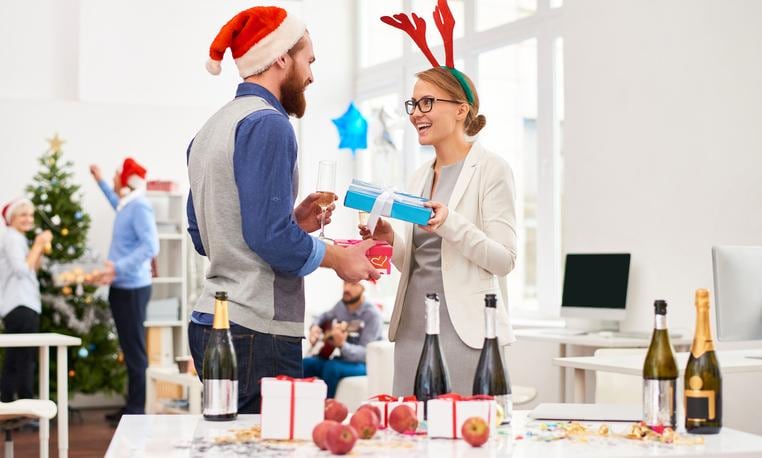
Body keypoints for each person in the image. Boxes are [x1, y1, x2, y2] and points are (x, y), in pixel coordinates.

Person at [186, 6, 380, 414]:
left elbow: (205, 234)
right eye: (309, 60)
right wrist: (340, 257)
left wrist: (292, 221)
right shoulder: (270, 124)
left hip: (211, 322)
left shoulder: (212, 129)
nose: (311, 75)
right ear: (280, 58)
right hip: (257, 331)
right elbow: (268, 239)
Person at [361, 2, 517, 396]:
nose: (416, 113)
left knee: (463, 437)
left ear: (462, 109)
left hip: (464, 331)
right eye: (413, 104)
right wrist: (388, 239)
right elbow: (416, 263)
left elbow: (504, 260)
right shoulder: (418, 176)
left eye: (427, 103)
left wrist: (451, 223)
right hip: (413, 327)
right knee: (410, 436)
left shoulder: (492, 170)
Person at [89, 158, 159, 423]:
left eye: (118, 175)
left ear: (127, 181)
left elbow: (150, 247)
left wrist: (117, 268)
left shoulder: (139, 206)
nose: (115, 178)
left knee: (135, 351)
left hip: (131, 288)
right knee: (129, 351)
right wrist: (100, 180)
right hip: (121, 287)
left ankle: (136, 411)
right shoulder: (127, 205)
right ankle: (132, 405)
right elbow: (113, 199)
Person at [0, 198, 52, 402]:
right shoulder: (12, 238)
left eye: (31, 215)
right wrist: (38, 244)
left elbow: (32, 268)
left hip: (21, 304)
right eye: (23, 215)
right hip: (20, 304)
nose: (28, 219)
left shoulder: (18, 238)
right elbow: (22, 271)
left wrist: (39, 249)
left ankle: (7, 402)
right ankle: (25, 404)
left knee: (15, 357)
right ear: (11, 218)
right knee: (24, 359)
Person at [303, 281, 383, 398]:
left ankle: (325, 409)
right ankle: (300, 404)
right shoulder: (341, 306)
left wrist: (342, 345)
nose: (346, 288)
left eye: (353, 284)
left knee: (332, 367)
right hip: (342, 360)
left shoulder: (372, 315)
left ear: (363, 289)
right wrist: (314, 327)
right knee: (306, 363)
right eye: (345, 283)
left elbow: (366, 354)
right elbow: (322, 316)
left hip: (363, 364)